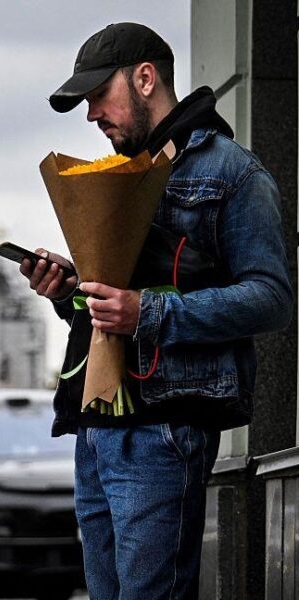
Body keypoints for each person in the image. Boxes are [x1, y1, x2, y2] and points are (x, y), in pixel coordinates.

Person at [20, 22, 292, 600]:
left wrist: (145, 312)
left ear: (145, 78)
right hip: (96, 429)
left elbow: (271, 299)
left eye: (99, 95)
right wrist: (69, 292)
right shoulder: (122, 175)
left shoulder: (232, 172)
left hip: (165, 427)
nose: (91, 114)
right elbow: (110, 309)